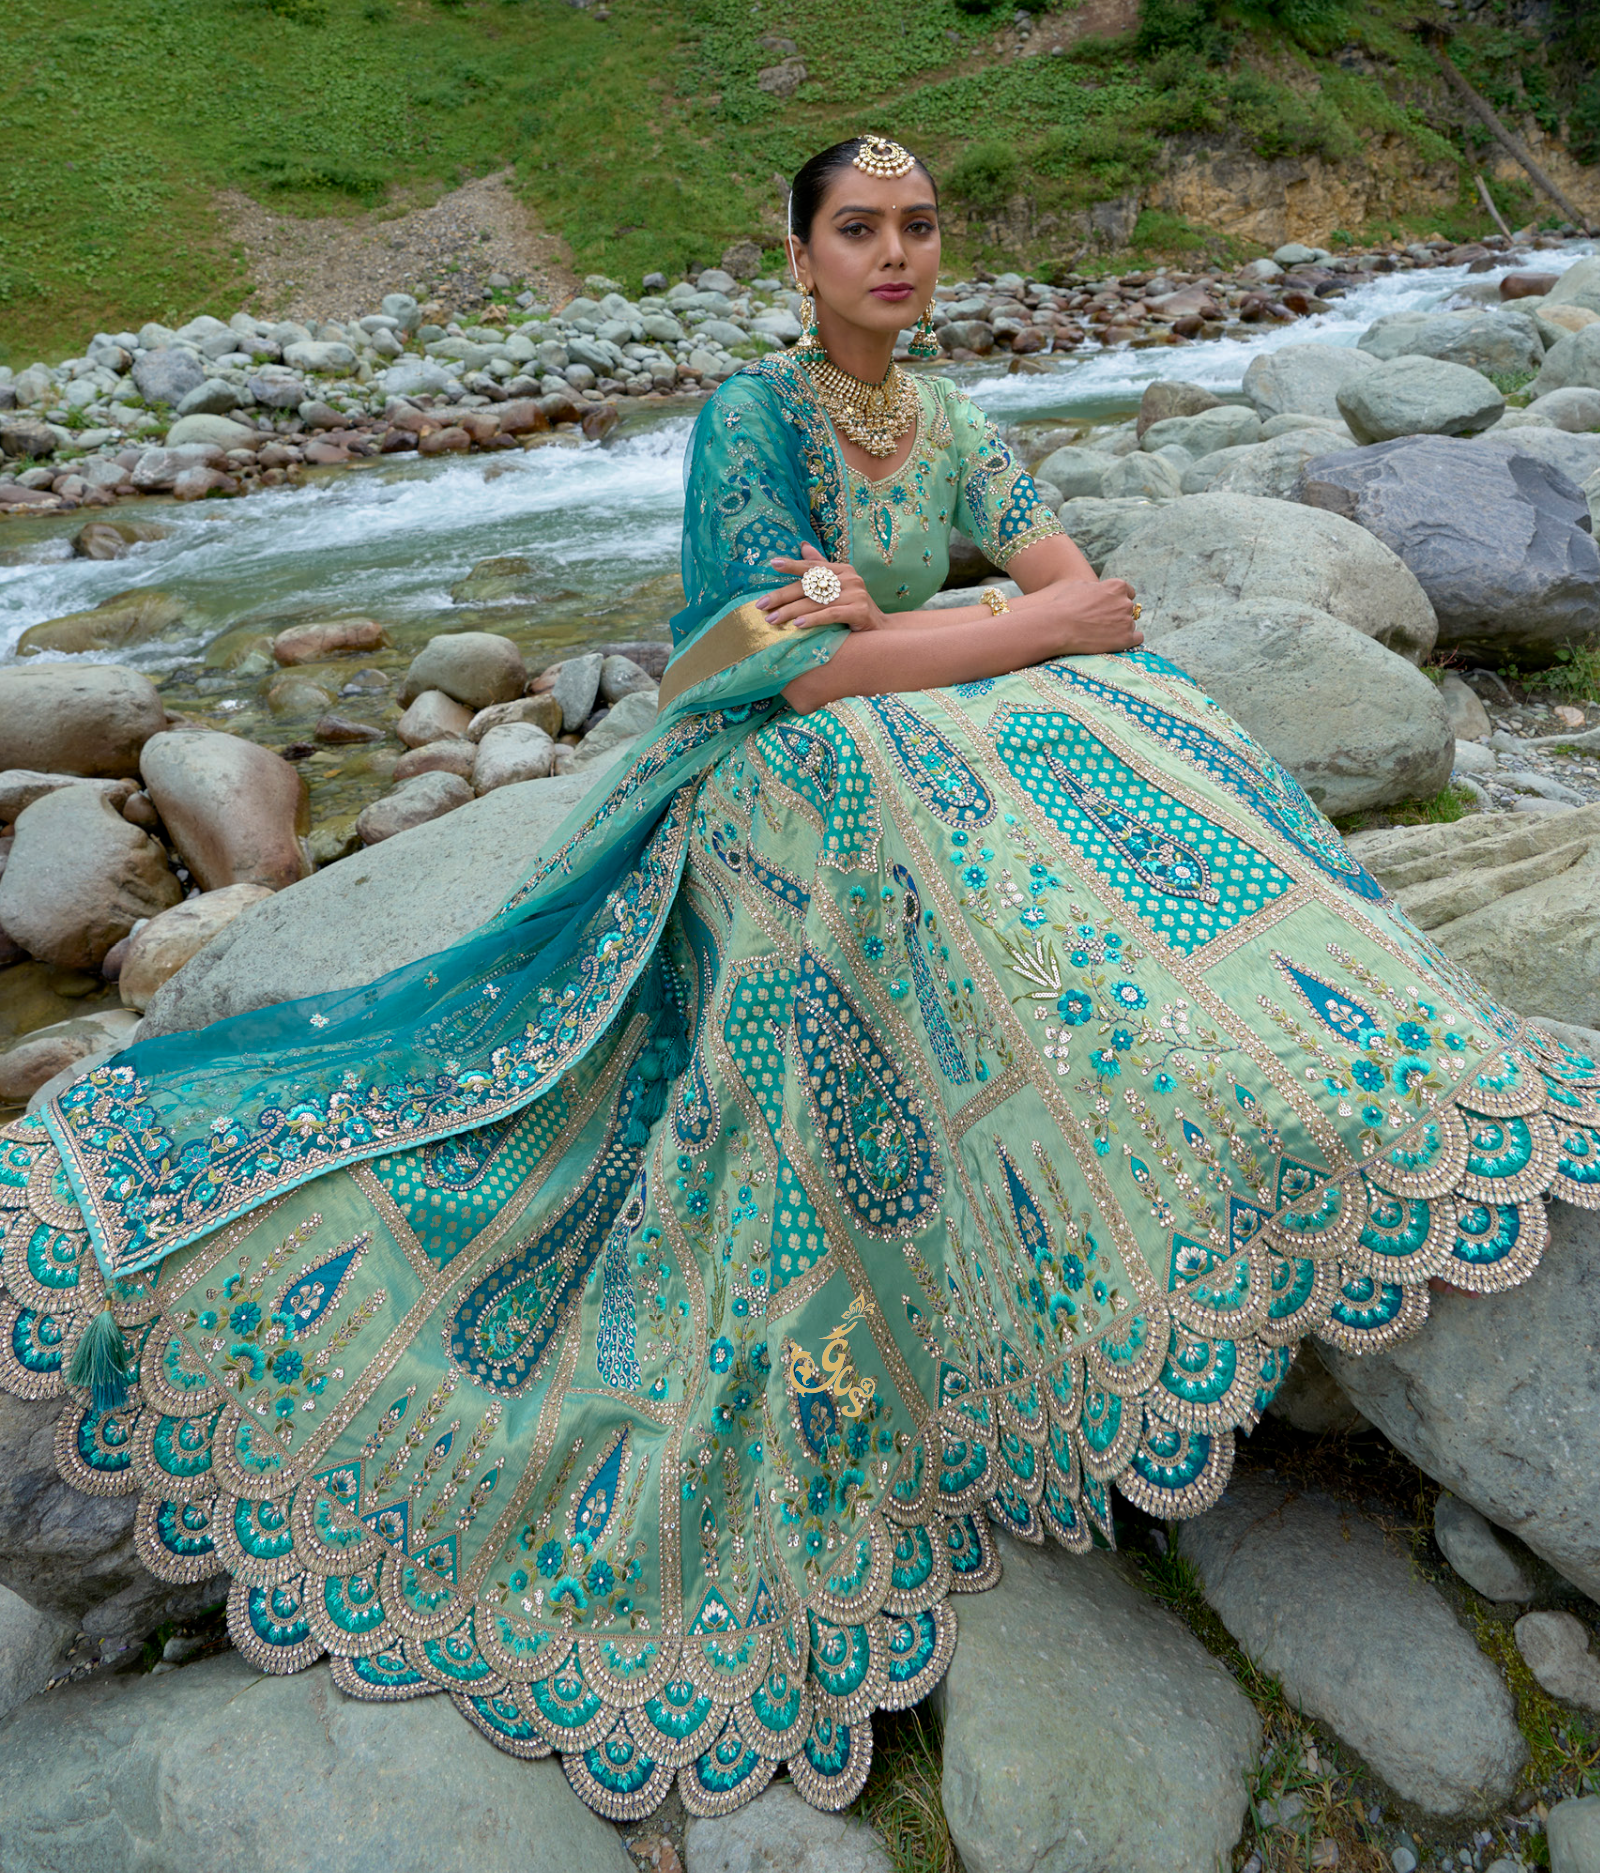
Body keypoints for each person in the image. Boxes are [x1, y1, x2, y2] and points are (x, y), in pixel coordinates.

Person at [1, 135, 1593, 1826]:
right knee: (919, 771)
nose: (895, 254)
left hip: (893, 720)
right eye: (859, 228)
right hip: (750, 770)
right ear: (799, 251)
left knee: (1138, 717)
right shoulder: (754, 421)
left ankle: (1244, 1069)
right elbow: (792, 670)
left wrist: (971, 633)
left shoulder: (958, 422)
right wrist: (984, 636)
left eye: (916, 226)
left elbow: (1089, 602)